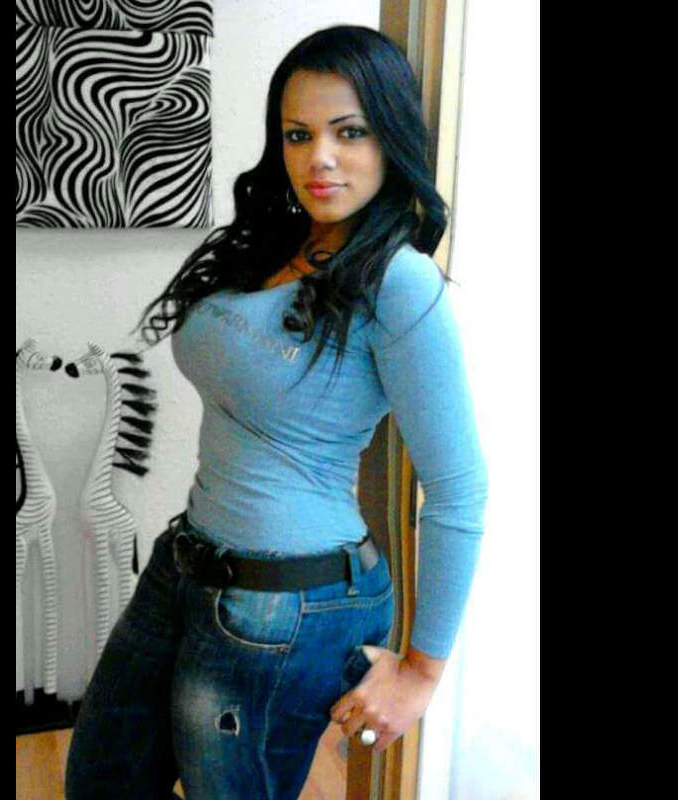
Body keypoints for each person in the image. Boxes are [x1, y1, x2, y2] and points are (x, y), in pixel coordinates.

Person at [65, 24, 488, 800]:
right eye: (299, 134)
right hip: (184, 564)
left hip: (285, 606)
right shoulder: (271, 242)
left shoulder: (399, 282)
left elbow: (460, 490)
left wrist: (422, 673)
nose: (319, 157)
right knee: (100, 780)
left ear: (391, 136)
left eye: (349, 132)